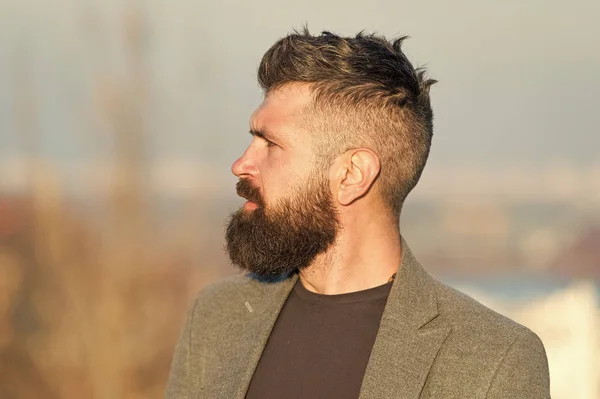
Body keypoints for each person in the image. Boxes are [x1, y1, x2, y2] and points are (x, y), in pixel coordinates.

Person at [165, 29, 550, 399]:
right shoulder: (216, 317)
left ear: (351, 175)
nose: (241, 164)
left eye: (270, 144)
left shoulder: (494, 359)